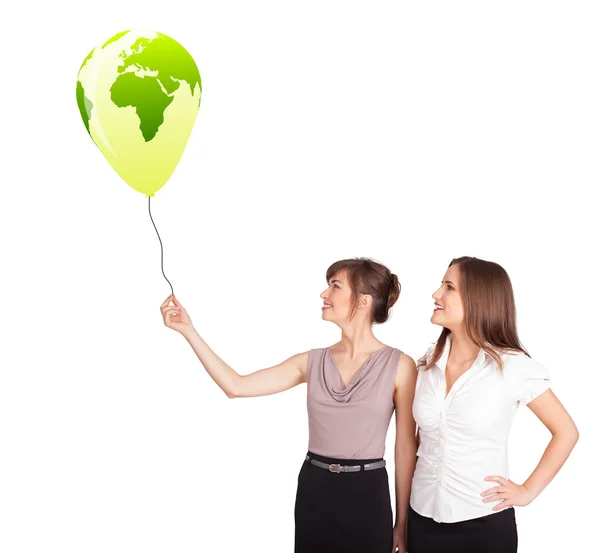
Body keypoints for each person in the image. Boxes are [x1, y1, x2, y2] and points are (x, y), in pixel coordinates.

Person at [160, 257, 417, 553]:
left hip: (367, 492)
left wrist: (402, 521)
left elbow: (404, 447)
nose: (324, 294)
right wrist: (189, 330)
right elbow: (236, 386)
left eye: (335, 286)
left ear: (363, 301)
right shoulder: (311, 361)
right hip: (315, 489)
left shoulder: (400, 366)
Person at [407, 256, 579, 553]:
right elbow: (421, 439)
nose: (436, 294)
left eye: (449, 287)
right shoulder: (426, 365)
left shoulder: (513, 367)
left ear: (478, 299)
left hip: (482, 526)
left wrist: (527, 491)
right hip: (421, 518)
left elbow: (566, 432)